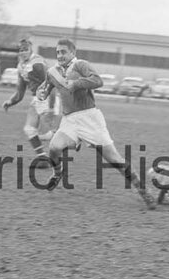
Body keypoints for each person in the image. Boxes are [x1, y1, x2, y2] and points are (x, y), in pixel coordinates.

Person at [38, 38, 156, 209]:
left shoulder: (80, 65)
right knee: (54, 148)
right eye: (57, 52)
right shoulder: (52, 72)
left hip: (90, 118)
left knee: (115, 160)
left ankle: (144, 191)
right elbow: (46, 88)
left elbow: (98, 81)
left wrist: (76, 84)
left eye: (63, 52)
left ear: (73, 53)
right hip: (69, 120)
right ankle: (58, 173)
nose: (60, 55)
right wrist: (41, 93)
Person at [1, 38, 54, 163]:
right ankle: (42, 157)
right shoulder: (21, 66)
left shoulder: (37, 63)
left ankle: (74, 138)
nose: (23, 52)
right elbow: (20, 91)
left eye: (26, 50)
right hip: (37, 99)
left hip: (46, 97)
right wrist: (11, 101)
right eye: (21, 50)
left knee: (46, 135)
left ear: (31, 50)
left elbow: (52, 84)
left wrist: (51, 107)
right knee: (29, 130)